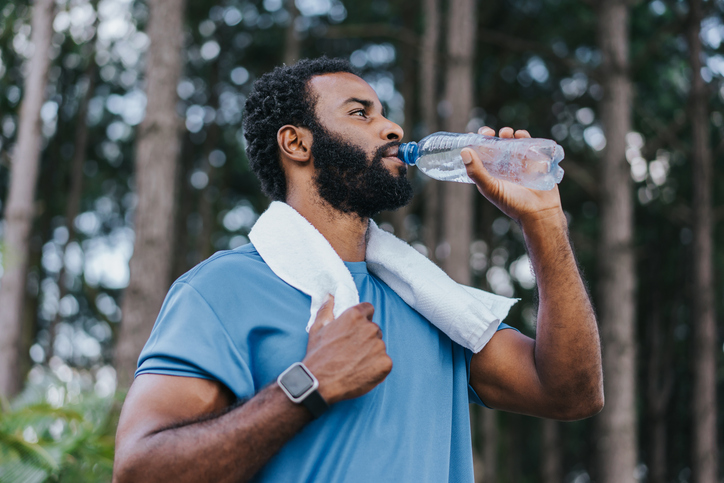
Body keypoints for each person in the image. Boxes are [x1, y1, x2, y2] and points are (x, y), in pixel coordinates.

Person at [113, 57, 603, 483]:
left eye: (385, 114)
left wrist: (544, 222)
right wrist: (308, 385)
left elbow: (571, 394)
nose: (392, 130)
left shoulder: (430, 302)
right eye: (360, 113)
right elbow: (140, 470)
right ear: (296, 143)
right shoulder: (222, 290)